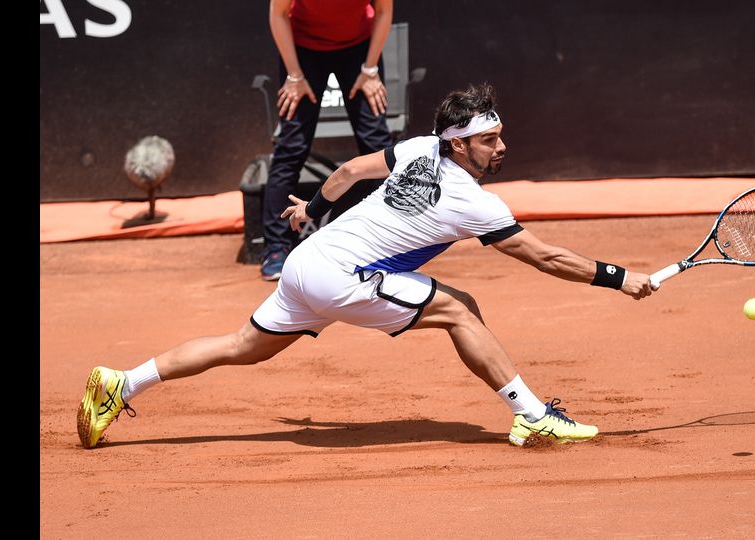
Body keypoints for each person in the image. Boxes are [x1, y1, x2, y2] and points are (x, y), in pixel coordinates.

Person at [77, 83, 655, 450]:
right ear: (458, 145)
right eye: (488, 140)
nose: (500, 147)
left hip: (307, 263)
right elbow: (544, 256)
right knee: (459, 310)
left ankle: (121, 382)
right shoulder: (475, 200)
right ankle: (530, 415)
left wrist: (315, 212)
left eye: (501, 136)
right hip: (340, 276)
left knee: (240, 346)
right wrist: (618, 277)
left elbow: (350, 171)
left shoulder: (417, 149)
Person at [261, 0, 395, 281]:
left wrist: (370, 71)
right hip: (303, 50)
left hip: (358, 50)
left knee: (378, 146)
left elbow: (383, 11)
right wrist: (294, 75)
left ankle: (392, 239)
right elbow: (278, 14)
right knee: (292, 146)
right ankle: (276, 248)